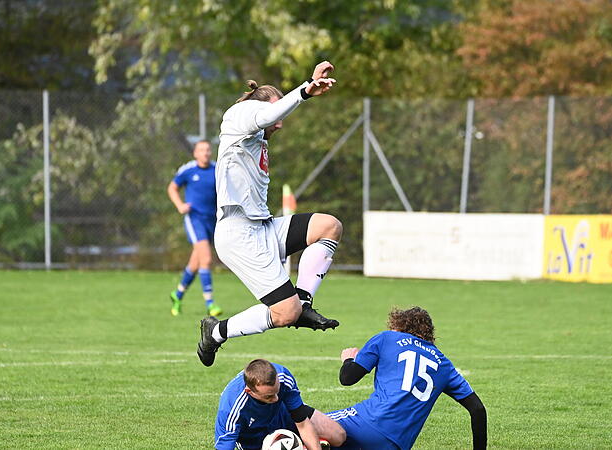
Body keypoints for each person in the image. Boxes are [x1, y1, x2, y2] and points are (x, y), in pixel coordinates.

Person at [197, 61, 341, 367]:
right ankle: (216, 332)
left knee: (329, 226)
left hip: (262, 227)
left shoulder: (256, 138)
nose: (280, 124)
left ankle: (303, 301)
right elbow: (267, 115)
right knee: (285, 314)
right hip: (238, 234)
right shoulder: (237, 116)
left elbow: (269, 117)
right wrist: (305, 89)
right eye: (276, 113)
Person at [326, 306, 487, 450]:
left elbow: (347, 378)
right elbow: (478, 409)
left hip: (367, 422)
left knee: (312, 420)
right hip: (397, 444)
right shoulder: (443, 364)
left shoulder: (387, 338)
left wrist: (348, 359)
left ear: (398, 326)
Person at [214, 358, 346, 450]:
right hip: (254, 438)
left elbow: (302, 423)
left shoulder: (283, 376)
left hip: (284, 414)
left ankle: (303, 444)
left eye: (277, 392)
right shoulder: (231, 409)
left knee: (338, 435)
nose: (276, 398)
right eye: (269, 396)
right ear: (250, 392)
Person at [167, 139, 222, 317]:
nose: (205, 153)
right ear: (195, 153)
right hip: (194, 219)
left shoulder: (217, 169)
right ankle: (210, 304)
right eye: (201, 150)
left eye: (208, 150)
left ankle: (177, 295)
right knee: (206, 259)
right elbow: (172, 188)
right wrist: (180, 205)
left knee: (196, 263)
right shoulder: (189, 170)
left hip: (212, 220)